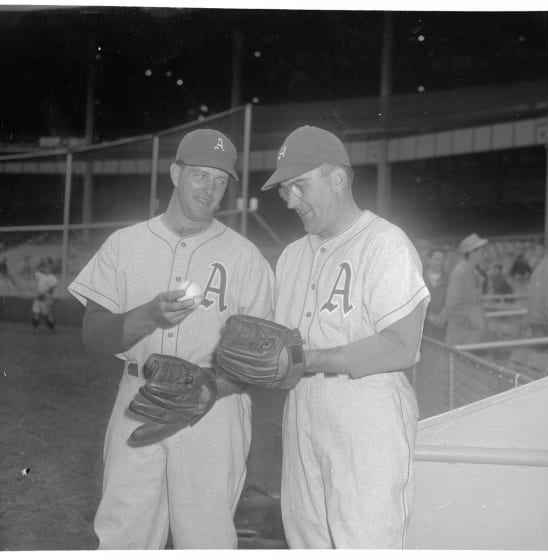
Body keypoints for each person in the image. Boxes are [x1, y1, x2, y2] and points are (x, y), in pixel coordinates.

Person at [67, 129, 275, 549]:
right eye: (200, 175)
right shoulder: (125, 245)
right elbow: (93, 334)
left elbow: (262, 356)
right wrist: (148, 316)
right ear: (175, 173)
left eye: (220, 181)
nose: (210, 189)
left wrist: (212, 389)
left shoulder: (245, 256)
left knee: (208, 539)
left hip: (214, 406)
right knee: (124, 535)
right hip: (139, 395)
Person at [260, 126, 429, 548]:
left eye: (299, 186)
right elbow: (285, 351)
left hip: (367, 410)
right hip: (301, 409)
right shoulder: (292, 256)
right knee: (307, 541)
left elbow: (401, 346)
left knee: (365, 543)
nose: (290, 201)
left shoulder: (385, 244)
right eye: (284, 190)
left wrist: (307, 361)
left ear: (337, 179)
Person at [441, 233, 490, 346]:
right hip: (462, 336)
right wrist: (468, 323)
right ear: (472, 253)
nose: (484, 255)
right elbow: (452, 305)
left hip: (473, 335)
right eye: (482, 252)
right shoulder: (459, 273)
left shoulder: (474, 273)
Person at [423, 246, 449, 340]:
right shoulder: (419, 280)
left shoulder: (449, 280)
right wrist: (429, 316)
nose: (440, 262)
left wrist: (444, 315)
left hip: (444, 328)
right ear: (428, 260)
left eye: (442, 259)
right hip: (424, 331)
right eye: (437, 259)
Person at [31, 260, 59, 333]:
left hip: (46, 297)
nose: (47, 269)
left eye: (48, 267)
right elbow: (34, 273)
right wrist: (39, 267)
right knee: (36, 313)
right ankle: (35, 329)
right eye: (45, 267)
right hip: (39, 297)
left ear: (51, 268)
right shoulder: (41, 275)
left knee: (46, 315)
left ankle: (53, 329)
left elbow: (52, 288)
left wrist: (44, 294)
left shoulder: (52, 277)